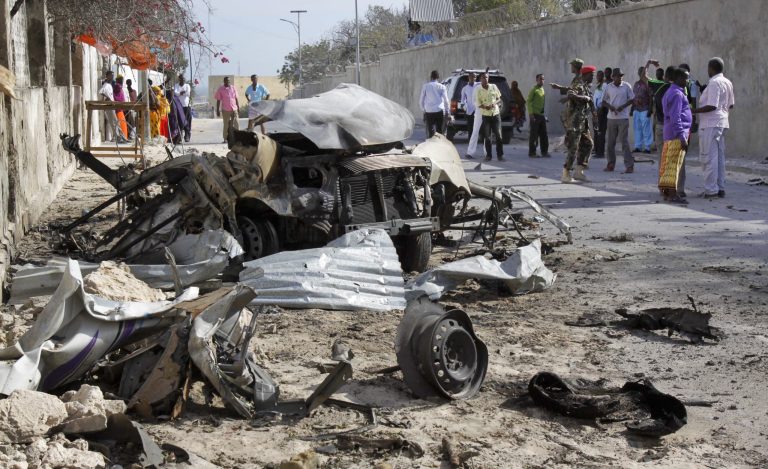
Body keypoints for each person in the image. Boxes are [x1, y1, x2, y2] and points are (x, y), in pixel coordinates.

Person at [692, 57, 734, 199]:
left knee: (709, 158)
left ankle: (711, 190)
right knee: (719, 158)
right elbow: (731, 104)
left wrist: (693, 111)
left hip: (710, 124)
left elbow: (712, 105)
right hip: (722, 122)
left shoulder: (715, 82)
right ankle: (720, 187)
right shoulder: (727, 82)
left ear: (711, 68)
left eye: (708, 68)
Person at [659, 67, 693, 204]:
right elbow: (675, 117)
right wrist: (682, 136)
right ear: (678, 78)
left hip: (671, 133)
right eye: (685, 78)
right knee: (674, 165)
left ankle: (668, 193)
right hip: (676, 134)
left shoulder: (672, 91)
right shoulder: (677, 94)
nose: (687, 80)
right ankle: (672, 194)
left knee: (670, 164)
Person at [559, 65, 596, 183]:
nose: (593, 77)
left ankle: (579, 171)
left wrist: (594, 116)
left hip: (582, 122)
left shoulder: (585, 86)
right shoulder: (578, 85)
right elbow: (570, 94)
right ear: (585, 75)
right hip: (574, 123)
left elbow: (590, 101)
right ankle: (566, 173)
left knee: (589, 144)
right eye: (592, 75)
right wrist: (584, 97)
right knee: (573, 148)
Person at [601, 67, 635, 172]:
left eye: (621, 76)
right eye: (617, 76)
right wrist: (611, 107)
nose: (620, 78)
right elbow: (603, 101)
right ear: (613, 77)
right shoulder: (608, 87)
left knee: (624, 142)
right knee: (611, 143)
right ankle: (610, 164)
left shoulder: (626, 86)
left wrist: (622, 107)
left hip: (623, 118)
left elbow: (632, 99)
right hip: (611, 118)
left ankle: (629, 165)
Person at [475, 72, 504, 162]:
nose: (485, 79)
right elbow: (478, 104)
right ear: (480, 79)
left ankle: (500, 155)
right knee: (487, 137)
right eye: (483, 78)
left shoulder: (493, 87)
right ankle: (488, 155)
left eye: (487, 77)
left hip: (495, 114)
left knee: (499, 136)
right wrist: (485, 107)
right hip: (486, 116)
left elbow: (499, 98)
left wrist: (494, 103)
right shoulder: (478, 90)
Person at [419, 70, 451, 139]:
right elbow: (446, 100)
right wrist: (447, 112)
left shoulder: (426, 86)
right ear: (438, 77)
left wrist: (424, 109)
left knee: (431, 130)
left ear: (431, 77)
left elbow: (421, 100)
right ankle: (439, 144)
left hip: (429, 111)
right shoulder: (442, 87)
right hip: (439, 110)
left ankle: (431, 143)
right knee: (439, 130)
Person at [99, 71, 127, 143]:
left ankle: (122, 137)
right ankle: (118, 137)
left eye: (112, 76)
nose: (112, 77)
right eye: (111, 75)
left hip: (112, 105)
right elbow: (101, 92)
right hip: (109, 105)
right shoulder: (105, 85)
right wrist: (107, 99)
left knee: (116, 122)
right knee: (113, 122)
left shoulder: (110, 85)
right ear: (107, 76)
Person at [526, 73, 549, 158]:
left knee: (544, 134)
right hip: (534, 115)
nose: (542, 81)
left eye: (543, 79)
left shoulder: (542, 89)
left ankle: (544, 152)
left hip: (541, 115)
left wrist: (544, 116)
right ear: (537, 80)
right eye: (540, 79)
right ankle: (532, 152)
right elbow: (528, 101)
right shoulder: (534, 90)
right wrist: (531, 113)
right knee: (534, 135)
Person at [632, 65, 653, 153]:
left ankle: (648, 147)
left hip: (645, 109)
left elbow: (651, 97)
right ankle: (638, 146)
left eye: (644, 72)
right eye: (640, 72)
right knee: (637, 129)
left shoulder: (649, 83)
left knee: (646, 129)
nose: (642, 73)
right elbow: (634, 97)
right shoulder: (636, 84)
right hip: (636, 110)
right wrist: (632, 109)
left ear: (646, 73)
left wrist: (650, 110)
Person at [461, 72, 481, 159]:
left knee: (483, 132)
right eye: (472, 77)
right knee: (471, 131)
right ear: (468, 78)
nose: (473, 78)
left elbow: (487, 82)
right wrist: (465, 107)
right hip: (470, 112)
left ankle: (486, 152)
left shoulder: (479, 85)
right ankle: (470, 151)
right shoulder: (465, 89)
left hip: (479, 111)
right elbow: (462, 101)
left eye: (475, 77)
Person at [215, 76, 239, 143]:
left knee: (236, 123)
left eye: (229, 81)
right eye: (226, 81)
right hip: (225, 109)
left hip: (234, 108)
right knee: (226, 124)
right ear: (224, 81)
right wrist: (217, 110)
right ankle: (225, 138)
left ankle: (237, 137)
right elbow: (218, 100)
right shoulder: (220, 89)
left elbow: (236, 98)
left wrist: (238, 107)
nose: (228, 82)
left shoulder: (233, 88)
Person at [174, 75, 192, 142]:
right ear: (179, 79)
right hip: (178, 107)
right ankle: (179, 136)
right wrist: (181, 93)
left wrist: (179, 93)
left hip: (186, 106)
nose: (183, 80)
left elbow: (188, 93)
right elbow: (175, 93)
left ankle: (187, 135)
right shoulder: (176, 85)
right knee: (179, 121)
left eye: (184, 79)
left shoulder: (187, 86)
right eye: (181, 79)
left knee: (187, 121)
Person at [592, 69, 606, 158]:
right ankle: (596, 150)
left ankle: (600, 152)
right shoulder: (598, 86)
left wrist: (599, 110)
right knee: (596, 132)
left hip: (601, 112)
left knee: (600, 132)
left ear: (603, 76)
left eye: (600, 75)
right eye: (597, 75)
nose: (597, 77)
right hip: (595, 112)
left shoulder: (604, 85)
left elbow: (603, 99)